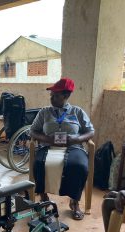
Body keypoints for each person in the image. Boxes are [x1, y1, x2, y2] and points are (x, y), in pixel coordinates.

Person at [29, 78, 94, 220]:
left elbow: (90, 131)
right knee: (39, 163)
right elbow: (33, 131)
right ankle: (43, 197)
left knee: (79, 166)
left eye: (56, 95)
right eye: (51, 95)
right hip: (48, 146)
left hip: (73, 147)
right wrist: (47, 139)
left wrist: (76, 139)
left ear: (66, 96)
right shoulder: (44, 112)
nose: (52, 98)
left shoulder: (77, 112)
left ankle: (75, 201)